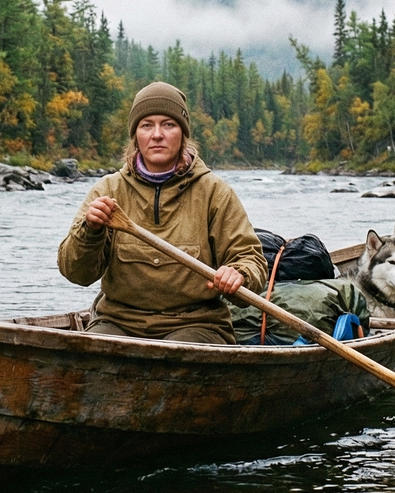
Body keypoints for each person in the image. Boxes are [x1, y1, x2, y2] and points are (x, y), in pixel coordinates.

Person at [57, 81, 267, 344]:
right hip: (119, 322)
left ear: (183, 133)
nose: (157, 134)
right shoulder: (108, 190)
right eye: (147, 125)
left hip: (197, 324)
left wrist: (239, 274)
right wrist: (90, 231)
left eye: (168, 124)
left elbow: (252, 260)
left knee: (182, 353)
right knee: (91, 354)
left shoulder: (214, 192)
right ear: (136, 135)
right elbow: (75, 273)